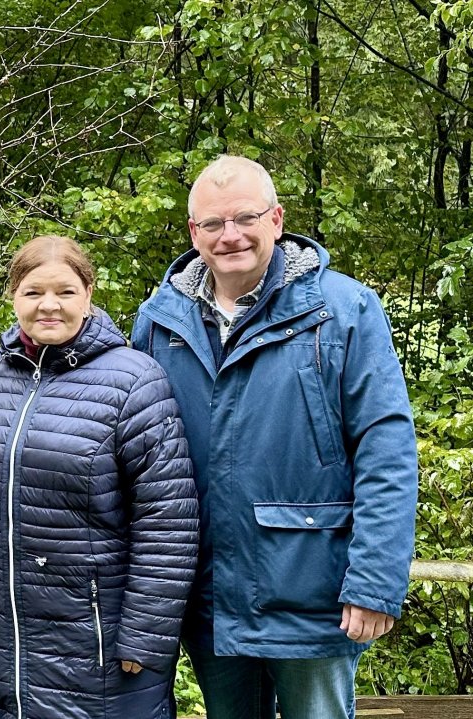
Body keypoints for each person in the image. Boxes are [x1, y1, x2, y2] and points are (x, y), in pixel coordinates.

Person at [132, 154, 419, 719]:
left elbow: (386, 450)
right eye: (212, 224)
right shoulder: (160, 320)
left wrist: (375, 580)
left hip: (315, 589)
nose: (229, 235)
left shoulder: (343, 310)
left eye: (245, 218)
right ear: (194, 233)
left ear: (277, 219)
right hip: (210, 593)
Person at [0, 235, 198, 719]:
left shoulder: (134, 380)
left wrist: (144, 634)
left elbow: (168, 522)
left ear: (89, 294)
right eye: (33, 292)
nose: (49, 305)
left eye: (65, 292)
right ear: (13, 296)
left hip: (95, 639)